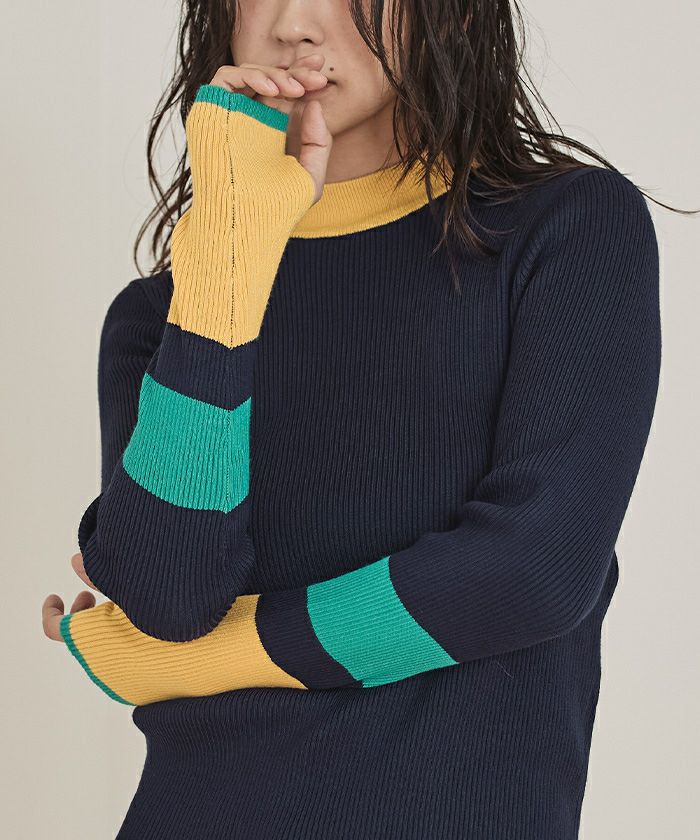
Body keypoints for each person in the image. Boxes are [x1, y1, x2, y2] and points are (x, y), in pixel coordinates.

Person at [42, 2, 665, 837]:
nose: (294, 25)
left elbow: (533, 571)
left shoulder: (562, 229)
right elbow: (169, 597)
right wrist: (229, 255)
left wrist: (178, 663)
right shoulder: (163, 315)